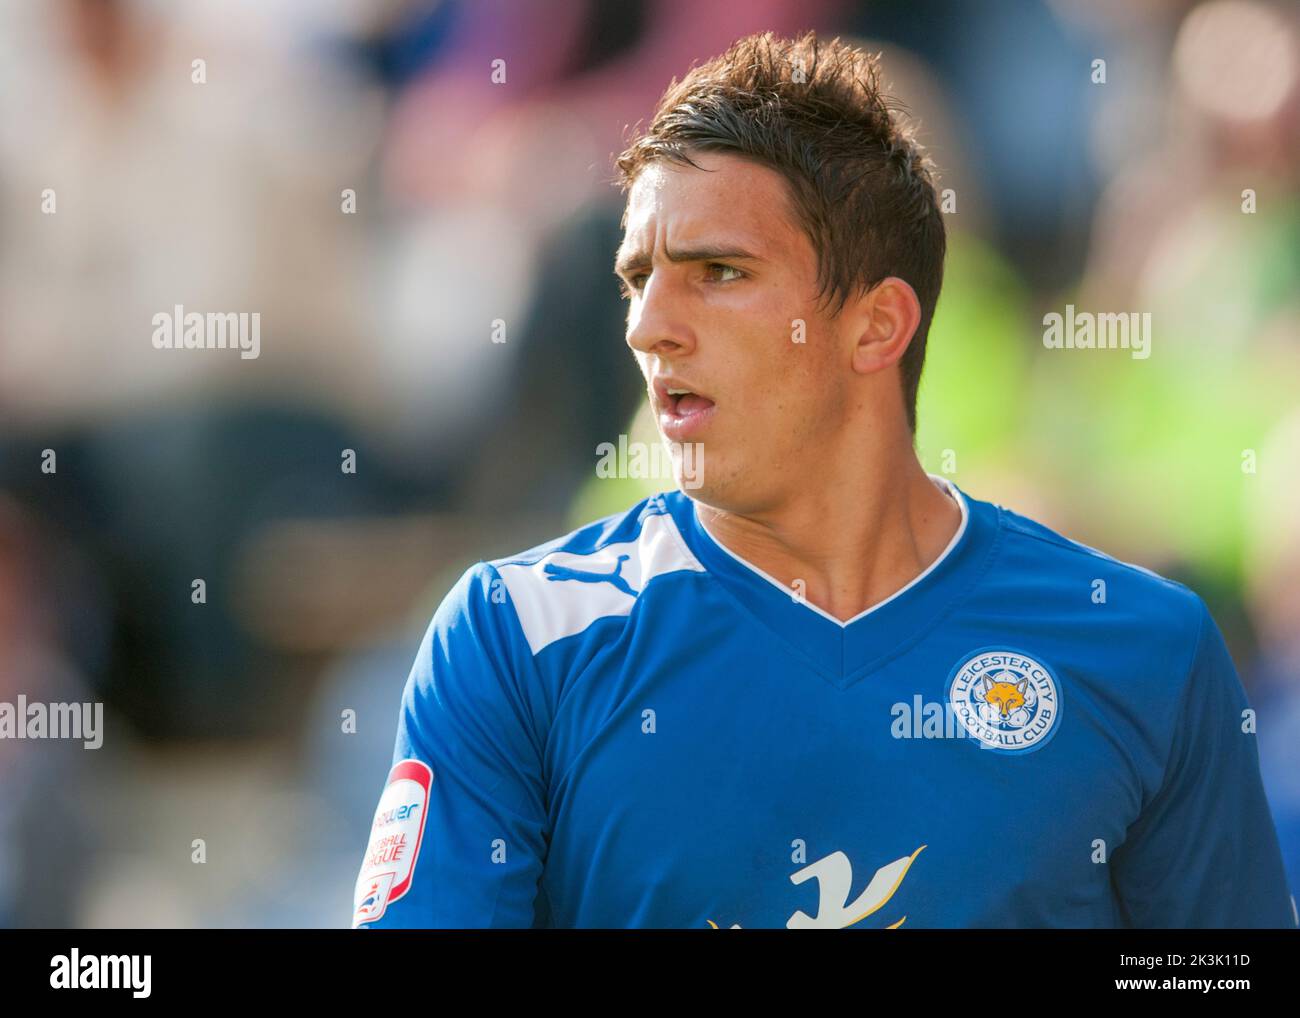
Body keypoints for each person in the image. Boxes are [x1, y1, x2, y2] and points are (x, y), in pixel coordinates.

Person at [351, 30, 1296, 929]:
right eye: (638, 278)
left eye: (717, 271)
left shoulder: (1144, 651)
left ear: (878, 326)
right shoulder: (514, 641)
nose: (647, 327)